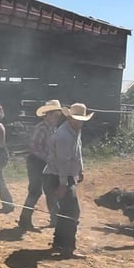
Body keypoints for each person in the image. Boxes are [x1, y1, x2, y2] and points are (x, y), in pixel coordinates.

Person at [42, 102, 94, 257]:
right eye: (77, 119)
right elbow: (62, 162)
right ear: (70, 118)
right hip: (57, 176)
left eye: (81, 120)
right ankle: (68, 248)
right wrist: (64, 184)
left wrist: (79, 170)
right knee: (72, 211)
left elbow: (77, 153)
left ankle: (59, 243)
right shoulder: (64, 136)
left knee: (66, 211)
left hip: (59, 175)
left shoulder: (73, 130)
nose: (80, 122)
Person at [18, 99, 63, 230]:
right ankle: (24, 221)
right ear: (48, 114)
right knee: (35, 191)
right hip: (36, 162)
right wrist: (47, 158)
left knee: (51, 190)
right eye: (56, 115)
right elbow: (33, 147)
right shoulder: (42, 128)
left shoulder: (53, 128)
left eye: (58, 116)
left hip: (45, 162)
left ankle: (55, 219)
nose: (57, 118)